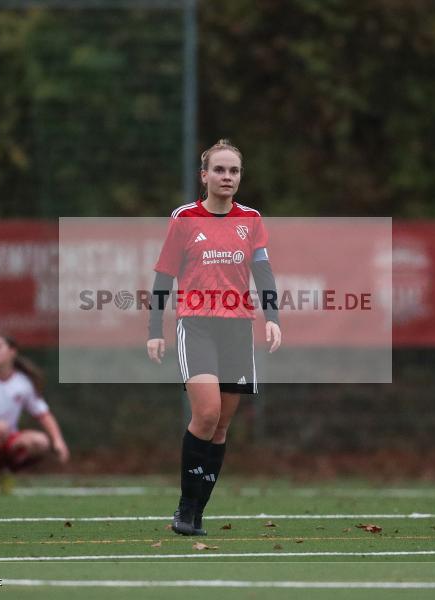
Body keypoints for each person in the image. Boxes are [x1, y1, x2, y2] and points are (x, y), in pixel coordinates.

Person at [147, 139, 282, 535]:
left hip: (237, 327)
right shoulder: (185, 218)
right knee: (205, 414)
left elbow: (263, 272)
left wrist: (272, 317)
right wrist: (154, 330)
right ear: (204, 176)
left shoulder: (251, 219)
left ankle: (197, 513)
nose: (227, 177)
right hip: (198, 324)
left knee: (221, 425)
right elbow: (163, 276)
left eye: (234, 171)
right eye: (219, 170)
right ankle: (184, 509)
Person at [0, 332, 70, 495]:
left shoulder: (23, 382)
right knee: (1, 427)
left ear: (12, 351)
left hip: (5, 442)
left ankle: (7, 471)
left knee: (41, 442)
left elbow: (44, 414)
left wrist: (58, 441)